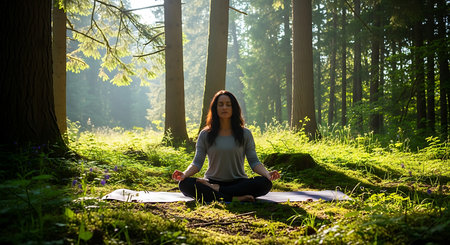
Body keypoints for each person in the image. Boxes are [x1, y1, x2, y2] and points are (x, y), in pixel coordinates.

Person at [172, 90, 280, 202]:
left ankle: (217, 191)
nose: (224, 108)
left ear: (234, 108)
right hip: (212, 181)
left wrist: (267, 174)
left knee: (265, 183)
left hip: (239, 182)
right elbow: (197, 163)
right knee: (184, 184)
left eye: (228, 105)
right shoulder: (205, 134)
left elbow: (254, 162)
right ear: (215, 108)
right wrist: (184, 174)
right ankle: (233, 198)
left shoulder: (245, 134)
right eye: (221, 104)